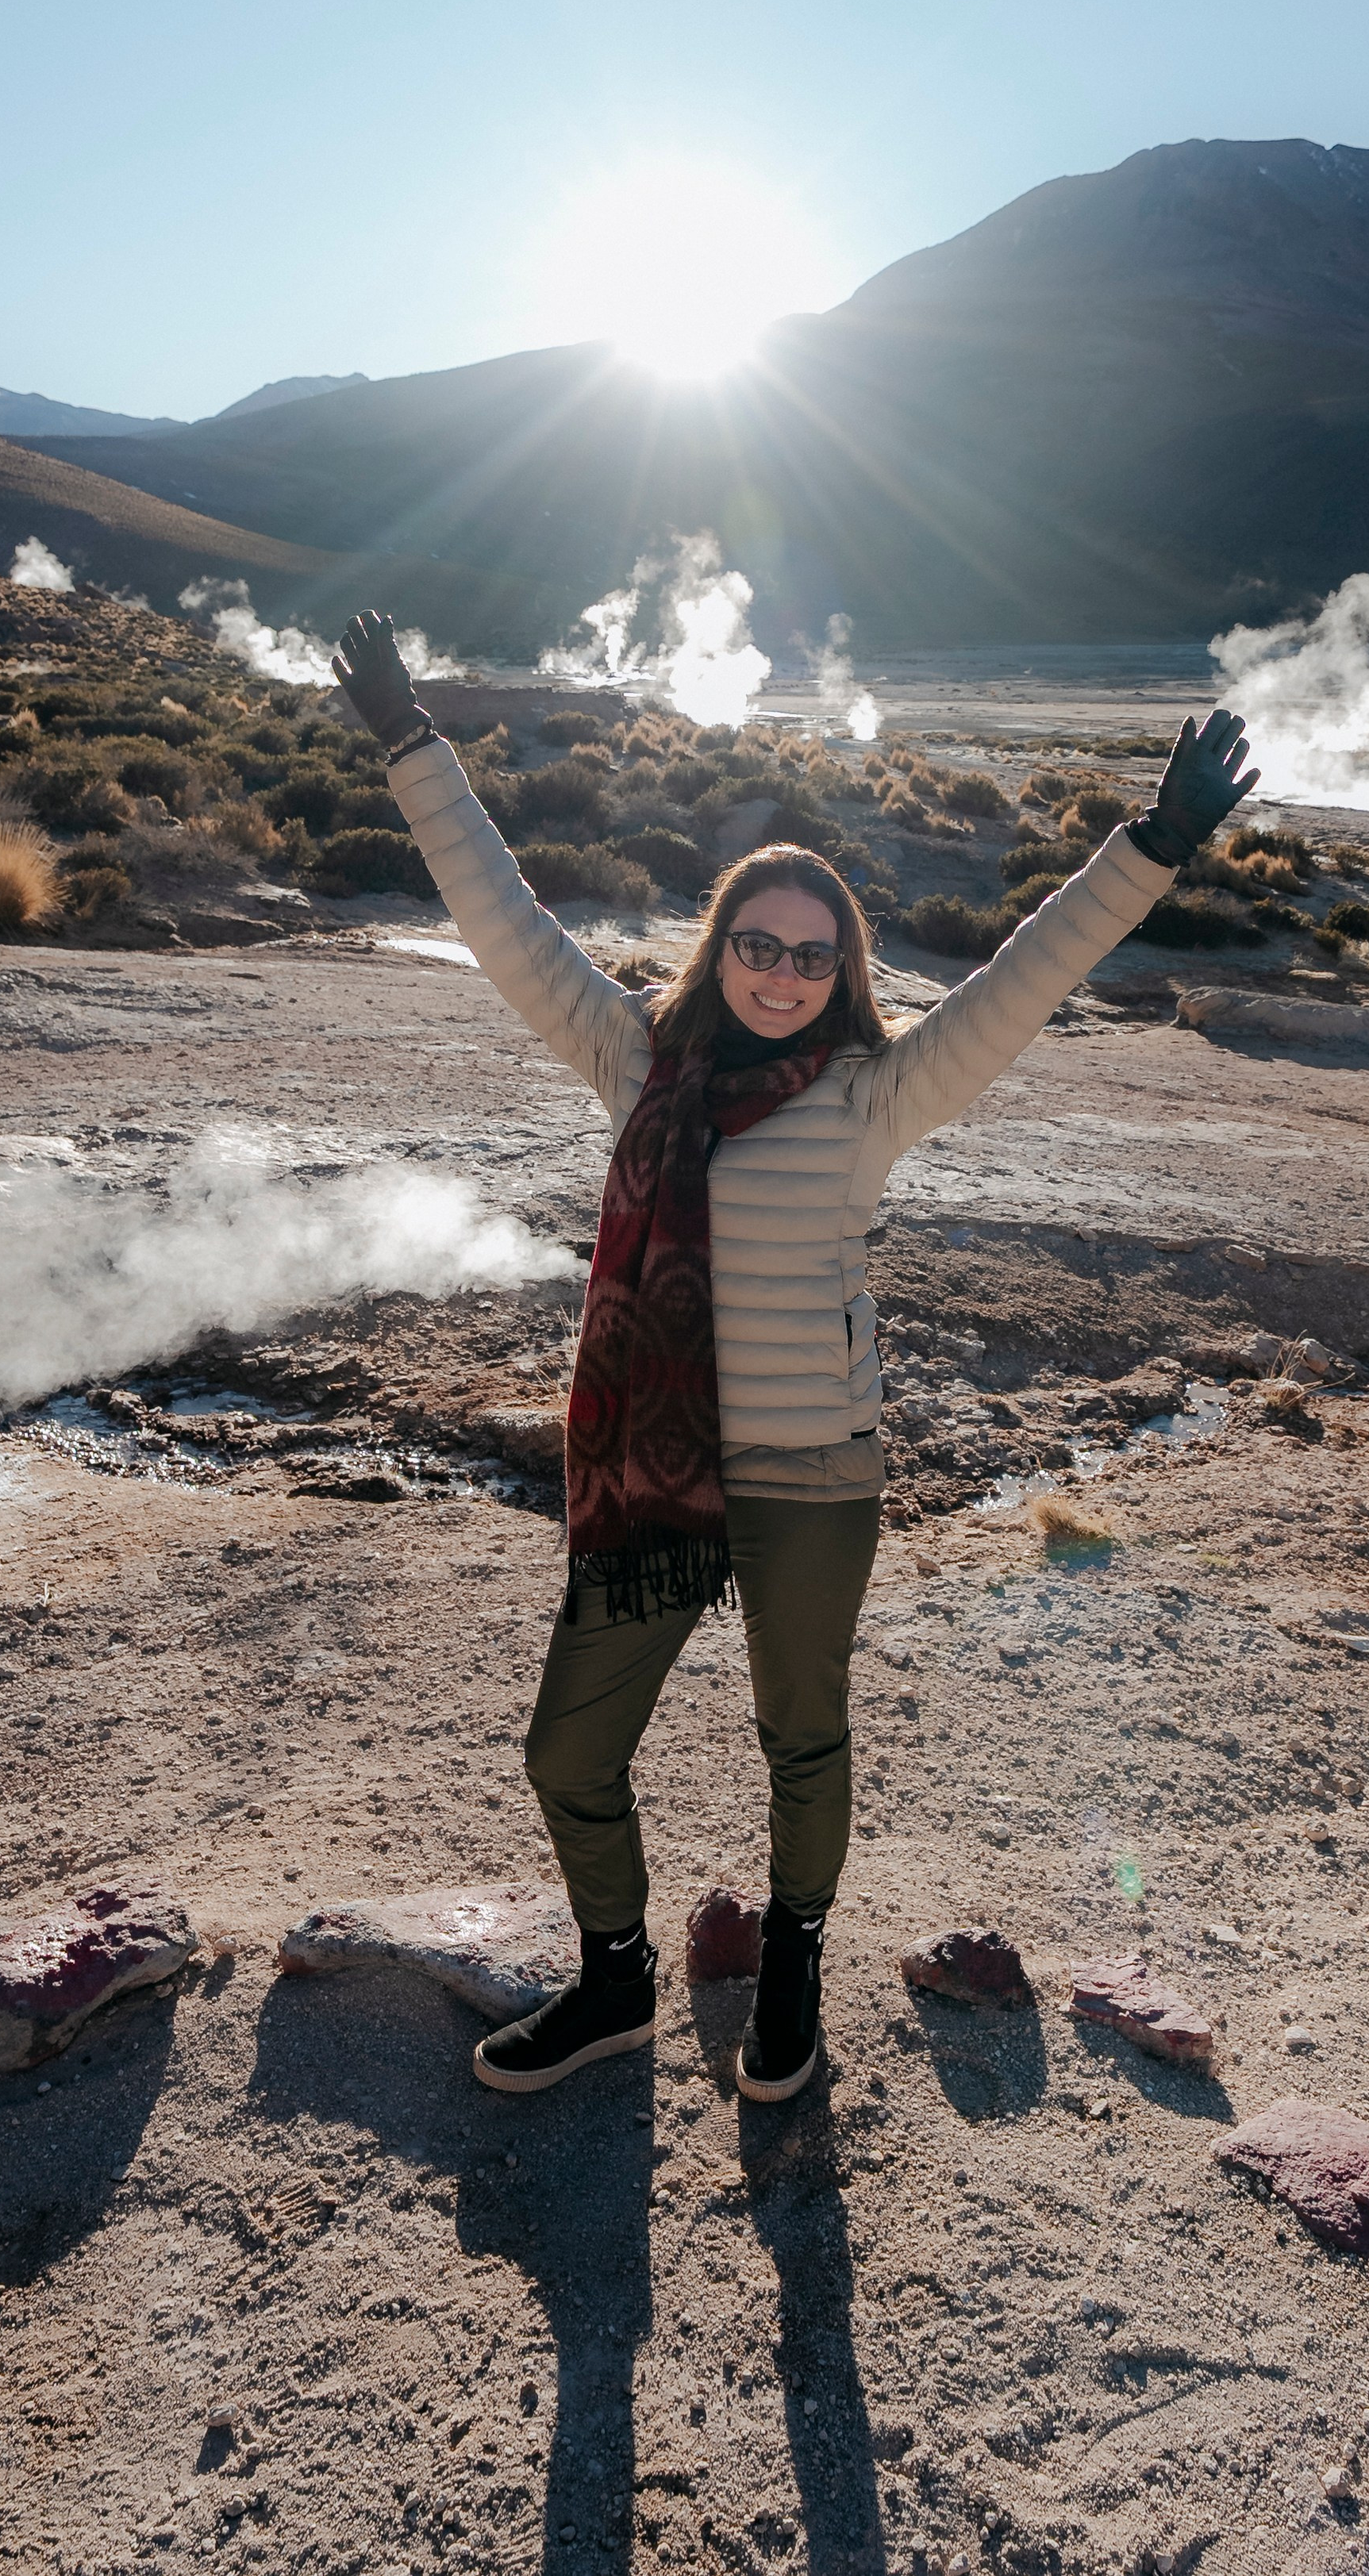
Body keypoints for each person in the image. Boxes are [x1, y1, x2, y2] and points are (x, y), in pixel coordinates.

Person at [333, 613, 1255, 2104]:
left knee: (802, 1741)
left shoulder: (875, 1094)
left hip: (817, 1475)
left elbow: (1025, 976)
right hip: (654, 1479)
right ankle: (616, 1980)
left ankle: (795, 1973)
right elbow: (505, 916)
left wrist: (1151, 844)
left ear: (843, 971)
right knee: (569, 1750)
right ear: (722, 946)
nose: (781, 973)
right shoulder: (639, 1056)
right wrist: (410, 742)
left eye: (812, 956)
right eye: (758, 945)